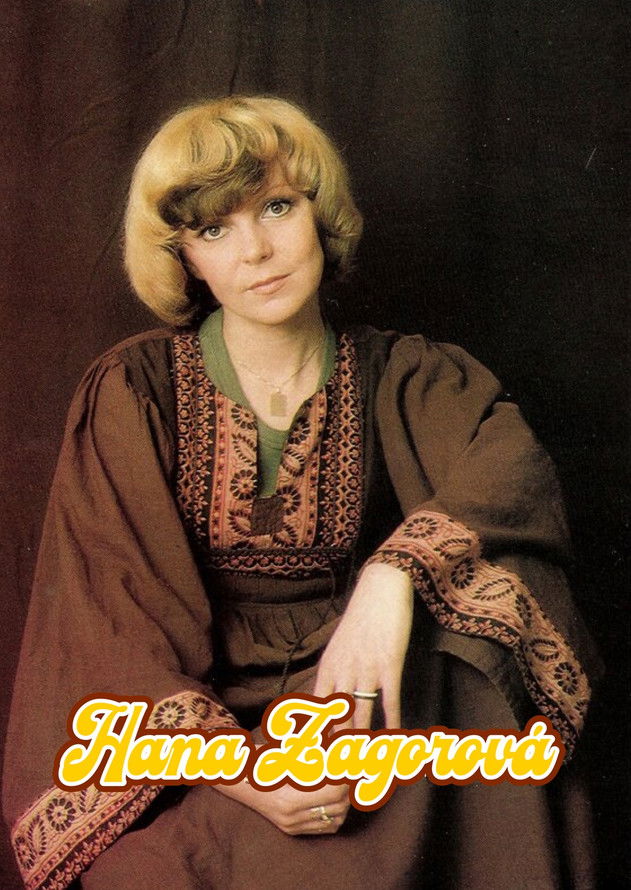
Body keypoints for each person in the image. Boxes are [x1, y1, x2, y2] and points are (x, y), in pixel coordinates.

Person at [3, 95, 600, 890]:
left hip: (354, 710)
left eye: (276, 207)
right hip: (196, 741)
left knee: (480, 611)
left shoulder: (404, 372)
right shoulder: (136, 388)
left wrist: (392, 577)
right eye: (214, 230)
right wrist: (244, 774)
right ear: (185, 258)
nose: (256, 250)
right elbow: (111, 624)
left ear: (318, 212)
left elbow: (510, 470)